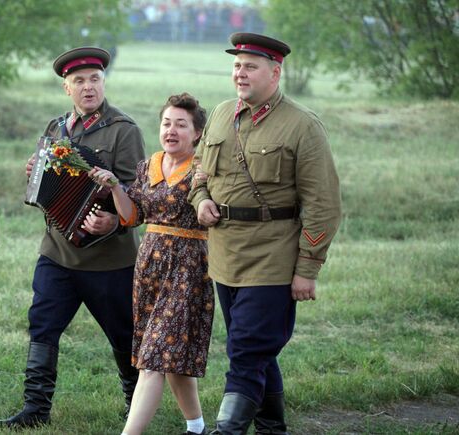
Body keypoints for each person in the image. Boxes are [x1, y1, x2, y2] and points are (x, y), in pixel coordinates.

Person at [188, 33, 342, 434]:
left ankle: (227, 430)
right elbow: (199, 172)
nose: (240, 73)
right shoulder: (221, 114)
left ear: (275, 72)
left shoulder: (302, 126)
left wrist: (307, 268)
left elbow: (323, 205)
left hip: (273, 257)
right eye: (237, 65)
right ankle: (272, 428)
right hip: (225, 255)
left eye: (250, 66)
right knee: (258, 351)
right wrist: (201, 198)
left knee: (245, 351)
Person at [0, 46, 145, 429]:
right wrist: (34, 173)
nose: (88, 87)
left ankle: (135, 403)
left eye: (94, 79)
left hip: (109, 259)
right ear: (67, 88)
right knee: (43, 325)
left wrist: (114, 222)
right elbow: (44, 184)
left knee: (124, 333)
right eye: (78, 81)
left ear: (103, 82)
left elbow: (137, 192)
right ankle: (35, 409)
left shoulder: (123, 130)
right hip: (57, 251)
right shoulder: (55, 128)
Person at [90, 93, 215, 435]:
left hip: (188, 267)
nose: (171, 130)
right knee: (168, 358)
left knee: (153, 359)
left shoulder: (204, 168)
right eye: (166, 123)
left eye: (181, 124)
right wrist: (116, 187)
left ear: (197, 133)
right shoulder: (149, 165)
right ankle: (197, 427)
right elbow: (133, 217)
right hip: (149, 267)